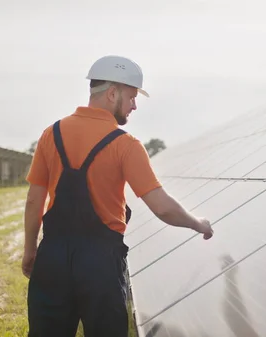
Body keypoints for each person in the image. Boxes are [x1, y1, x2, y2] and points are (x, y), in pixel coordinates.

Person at [21, 55, 214, 337]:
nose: (135, 105)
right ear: (112, 93)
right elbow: (161, 207)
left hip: (52, 258)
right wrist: (198, 223)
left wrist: (31, 250)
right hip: (100, 263)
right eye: (132, 97)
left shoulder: (51, 134)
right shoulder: (126, 145)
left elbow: (34, 200)